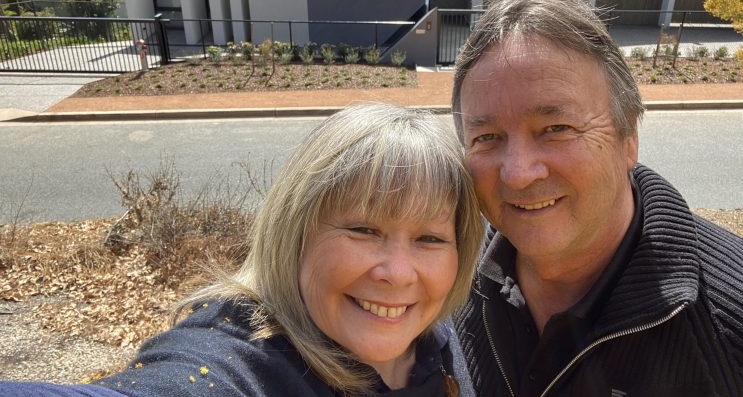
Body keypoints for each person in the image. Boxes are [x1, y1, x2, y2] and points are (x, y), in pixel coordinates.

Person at [450, 0, 743, 396]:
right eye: (486, 137)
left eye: (556, 128)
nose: (518, 173)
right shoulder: (444, 274)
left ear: (628, 139)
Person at [0, 103, 483, 397]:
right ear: (295, 232)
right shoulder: (246, 354)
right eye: (362, 229)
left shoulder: (442, 344)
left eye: (429, 238)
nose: (398, 272)